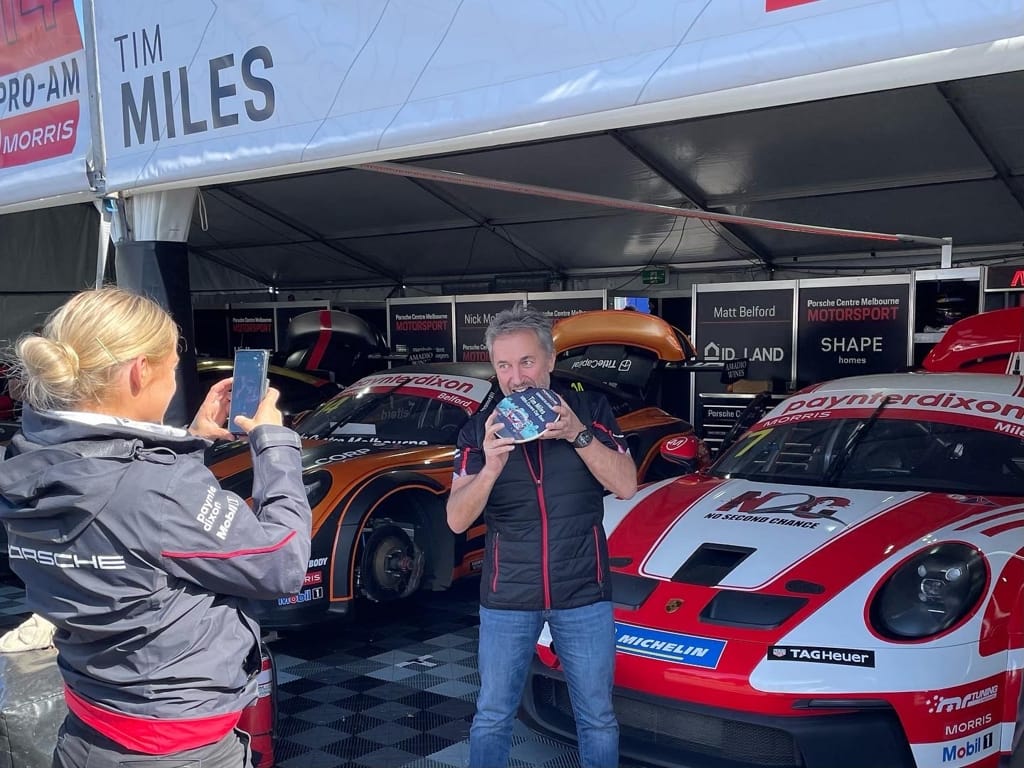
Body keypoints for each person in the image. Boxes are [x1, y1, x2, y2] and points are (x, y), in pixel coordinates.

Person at [0, 286, 312, 768]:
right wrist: (275, 442)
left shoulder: (28, 457)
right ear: (139, 371)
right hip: (178, 748)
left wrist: (189, 440)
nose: (173, 379)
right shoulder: (158, 489)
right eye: (172, 366)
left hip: (88, 727)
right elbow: (281, 562)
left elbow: (118, 505)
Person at [446, 304, 637, 768]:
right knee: (492, 715)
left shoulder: (591, 410)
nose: (517, 377)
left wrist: (578, 434)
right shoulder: (479, 430)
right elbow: (456, 518)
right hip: (508, 596)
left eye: (527, 362)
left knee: (597, 717)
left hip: (583, 592)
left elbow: (626, 484)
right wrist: (490, 465)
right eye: (504, 365)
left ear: (550, 361)